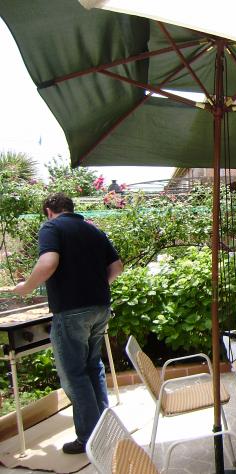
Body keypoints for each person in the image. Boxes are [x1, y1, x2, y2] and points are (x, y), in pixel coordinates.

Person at [12, 193, 123, 454]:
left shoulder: (51, 227)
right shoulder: (93, 230)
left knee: (74, 374)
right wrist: (95, 287)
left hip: (72, 311)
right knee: (93, 367)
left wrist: (26, 287)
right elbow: (117, 266)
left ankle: (89, 439)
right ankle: (103, 430)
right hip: (100, 307)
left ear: (49, 211)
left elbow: (48, 262)